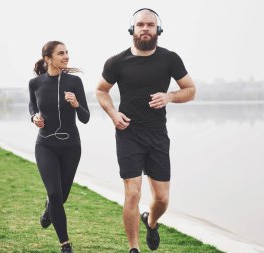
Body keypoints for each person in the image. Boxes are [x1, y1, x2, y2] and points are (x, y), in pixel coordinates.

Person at [96, 8, 196, 253]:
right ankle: (134, 248)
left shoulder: (170, 59)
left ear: (158, 30)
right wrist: (112, 114)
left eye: (150, 25)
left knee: (162, 199)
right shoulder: (116, 62)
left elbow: (190, 90)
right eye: (140, 24)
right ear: (132, 29)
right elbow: (101, 90)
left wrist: (169, 96)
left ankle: (151, 222)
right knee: (133, 194)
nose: (145, 29)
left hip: (157, 135)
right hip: (128, 132)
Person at [29, 41, 90, 253]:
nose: (66, 56)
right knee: (55, 194)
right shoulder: (35, 83)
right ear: (48, 59)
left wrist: (76, 105)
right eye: (61, 53)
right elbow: (32, 107)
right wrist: (34, 117)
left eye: (67, 52)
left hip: (71, 146)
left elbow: (86, 118)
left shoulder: (74, 82)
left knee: (61, 197)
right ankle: (65, 244)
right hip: (45, 144)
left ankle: (49, 209)